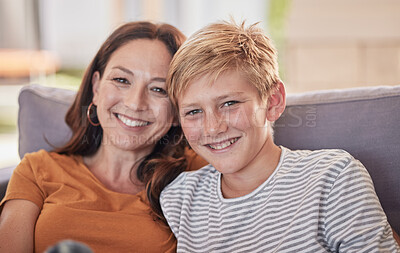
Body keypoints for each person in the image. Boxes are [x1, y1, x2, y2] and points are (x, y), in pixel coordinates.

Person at [160, 20, 400, 252]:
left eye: (229, 103)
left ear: (273, 101)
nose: (212, 128)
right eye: (193, 112)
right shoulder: (179, 198)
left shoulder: (333, 177)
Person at [0, 21, 206, 253]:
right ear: (96, 88)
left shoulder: (199, 175)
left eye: (159, 89)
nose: (135, 103)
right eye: (121, 80)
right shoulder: (37, 169)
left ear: (179, 108)